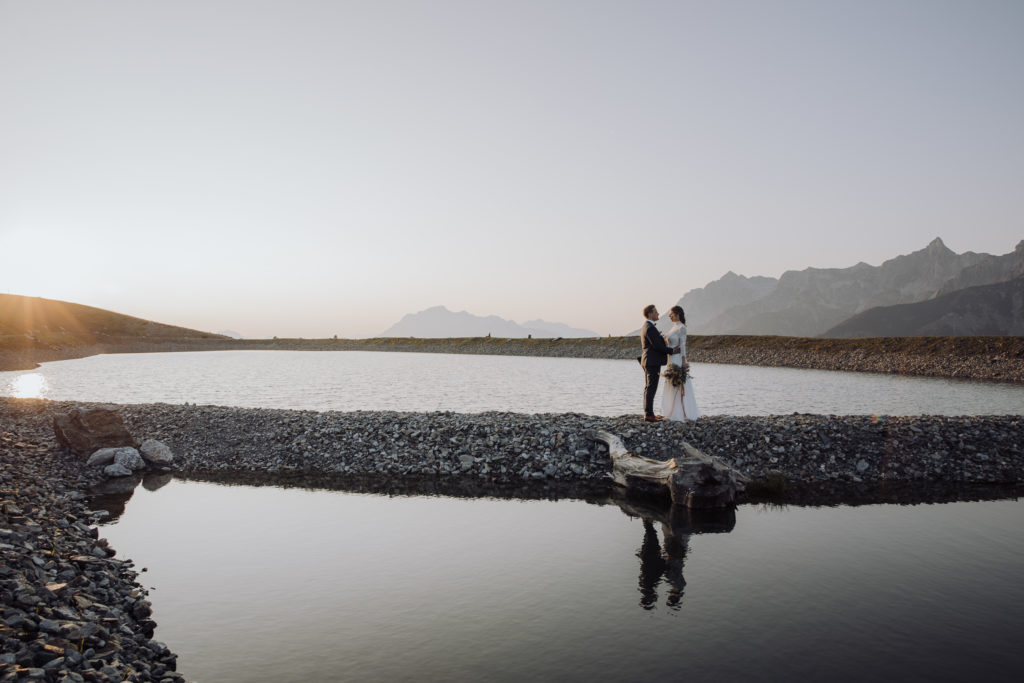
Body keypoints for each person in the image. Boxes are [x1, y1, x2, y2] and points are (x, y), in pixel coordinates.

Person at [639, 305, 679, 422]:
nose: (658, 314)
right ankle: (649, 414)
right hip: (651, 361)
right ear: (650, 313)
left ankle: (649, 413)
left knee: (649, 387)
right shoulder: (650, 328)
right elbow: (657, 346)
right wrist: (671, 351)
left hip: (649, 361)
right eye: (656, 312)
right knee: (651, 387)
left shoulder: (647, 326)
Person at [661, 305, 700, 421]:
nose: (669, 316)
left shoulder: (682, 328)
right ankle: (670, 409)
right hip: (670, 358)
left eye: (671, 314)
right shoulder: (674, 327)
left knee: (677, 381)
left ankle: (680, 411)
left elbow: (682, 345)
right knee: (670, 381)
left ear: (677, 314)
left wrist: (683, 361)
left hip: (677, 358)